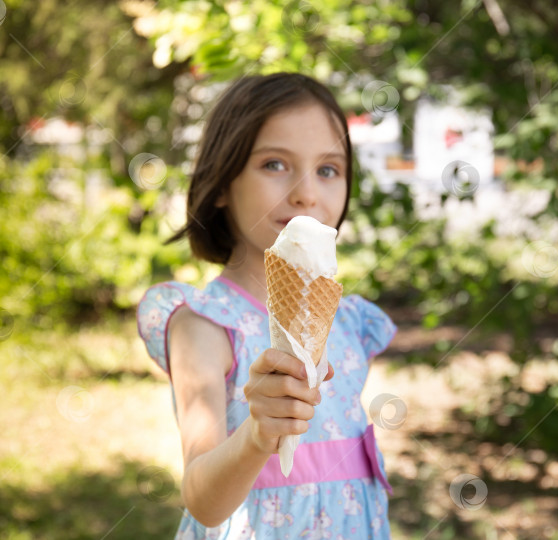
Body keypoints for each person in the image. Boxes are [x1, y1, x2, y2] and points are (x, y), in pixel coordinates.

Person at [137, 72, 397, 539]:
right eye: (275, 164)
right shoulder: (206, 326)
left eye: (328, 169)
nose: (306, 192)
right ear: (220, 183)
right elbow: (202, 498)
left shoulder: (350, 323)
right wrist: (258, 437)